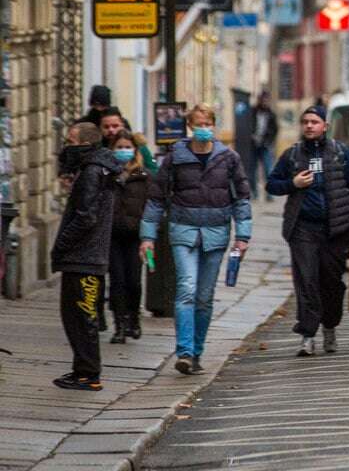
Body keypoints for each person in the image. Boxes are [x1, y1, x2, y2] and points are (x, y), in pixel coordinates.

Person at [140, 103, 252, 376]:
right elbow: (156, 198)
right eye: (198, 124)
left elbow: (241, 198)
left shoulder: (229, 158)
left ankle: (197, 351)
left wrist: (243, 236)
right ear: (190, 127)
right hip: (184, 230)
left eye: (207, 124)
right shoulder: (175, 157)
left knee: (204, 296)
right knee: (187, 289)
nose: (203, 129)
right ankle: (185, 352)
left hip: (216, 233)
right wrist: (148, 236)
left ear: (213, 126)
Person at [267, 105, 349, 357]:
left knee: (331, 283)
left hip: (336, 229)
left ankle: (330, 327)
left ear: (325, 126)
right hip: (303, 228)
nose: (309, 126)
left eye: (314, 122)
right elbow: (272, 184)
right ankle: (307, 335)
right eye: (305, 122)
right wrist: (292, 184)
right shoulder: (292, 155)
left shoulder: (339, 153)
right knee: (306, 281)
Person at [50, 121, 121, 390]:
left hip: (85, 258)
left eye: (71, 140)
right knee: (79, 316)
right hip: (88, 256)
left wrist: (62, 244)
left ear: (84, 145)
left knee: (81, 316)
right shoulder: (98, 168)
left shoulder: (92, 171)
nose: (67, 146)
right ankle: (83, 370)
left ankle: (88, 374)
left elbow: (85, 217)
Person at [108, 131, 149, 344]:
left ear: (134, 150)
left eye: (127, 147)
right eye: (119, 147)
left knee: (134, 281)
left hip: (136, 236)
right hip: (112, 235)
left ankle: (134, 317)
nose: (124, 151)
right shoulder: (107, 175)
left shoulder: (143, 176)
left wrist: (148, 235)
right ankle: (120, 325)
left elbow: (151, 206)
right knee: (117, 281)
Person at [100, 108, 158, 173]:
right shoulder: (98, 149)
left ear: (122, 125)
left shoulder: (139, 146)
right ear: (100, 128)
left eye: (115, 126)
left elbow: (153, 171)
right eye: (106, 127)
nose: (111, 130)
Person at [248, 92, 279, 199]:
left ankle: (269, 194)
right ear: (259, 100)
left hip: (265, 145)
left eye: (267, 100)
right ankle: (254, 193)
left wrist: (269, 142)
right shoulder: (252, 111)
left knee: (268, 170)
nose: (265, 102)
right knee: (252, 170)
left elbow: (275, 130)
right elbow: (247, 125)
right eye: (263, 100)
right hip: (253, 145)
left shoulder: (271, 114)